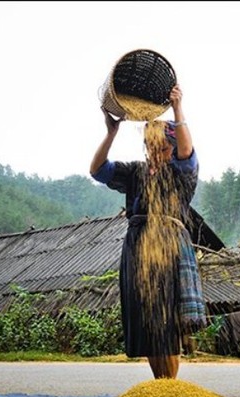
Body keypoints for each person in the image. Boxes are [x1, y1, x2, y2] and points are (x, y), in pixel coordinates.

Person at [89, 83, 206, 379]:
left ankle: (170, 389)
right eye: (151, 146)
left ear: (171, 148)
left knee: (166, 320)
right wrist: (111, 133)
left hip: (167, 247)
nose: (156, 151)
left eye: (162, 147)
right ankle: (159, 387)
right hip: (138, 249)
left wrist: (178, 108)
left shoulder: (181, 174)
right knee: (147, 319)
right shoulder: (135, 173)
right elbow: (97, 170)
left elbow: (187, 151)